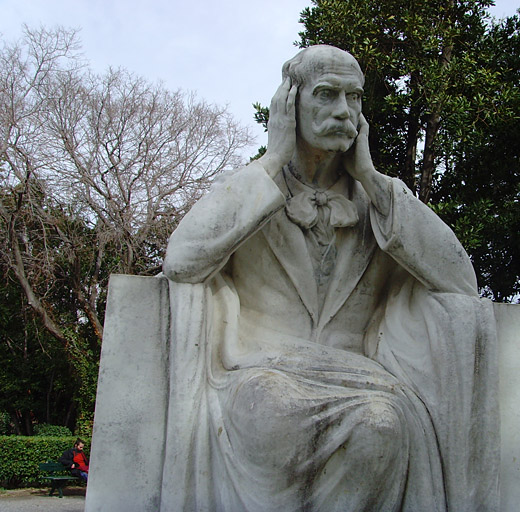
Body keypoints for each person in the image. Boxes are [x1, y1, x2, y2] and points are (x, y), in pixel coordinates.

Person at [161, 45, 499, 511]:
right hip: (263, 369)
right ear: (289, 104)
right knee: (272, 413)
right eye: (326, 94)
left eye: (354, 98)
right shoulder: (253, 188)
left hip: (362, 380)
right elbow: (181, 260)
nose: (343, 111)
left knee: (384, 426)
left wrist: (372, 178)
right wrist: (271, 160)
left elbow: (461, 281)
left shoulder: (379, 203)